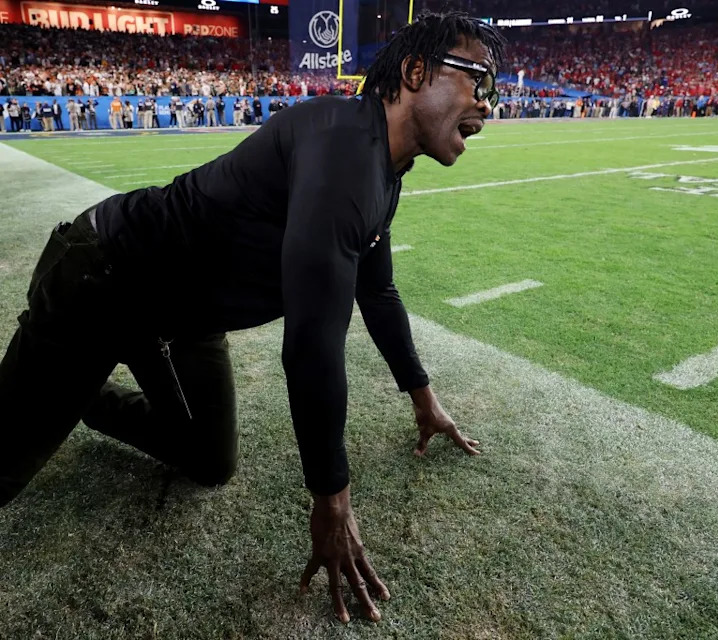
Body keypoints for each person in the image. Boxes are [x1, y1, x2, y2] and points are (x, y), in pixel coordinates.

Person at [0, 12, 505, 625]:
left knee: (209, 461)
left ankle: (77, 396)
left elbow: (379, 293)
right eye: (479, 80)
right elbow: (312, 349)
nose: (488, 105)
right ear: (415, 70)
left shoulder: (383, 168)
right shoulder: (346, 146)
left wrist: (423, 398)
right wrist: (331, 498)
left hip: (182, 317)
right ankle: (49, 385)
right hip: (104, 277)